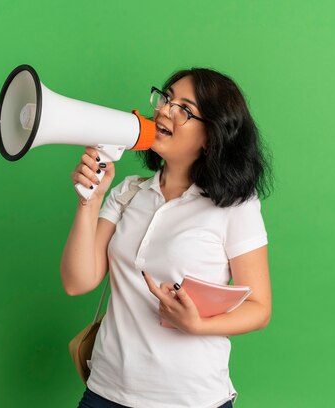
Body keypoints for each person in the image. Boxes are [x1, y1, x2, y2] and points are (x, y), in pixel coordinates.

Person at [61, 67, 272, 408]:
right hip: (105, 393)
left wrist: (195, 324)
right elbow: (77, 281)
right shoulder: (128, 193)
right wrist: (90, 201)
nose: (164, 110)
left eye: (184, 109)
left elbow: (260, 309)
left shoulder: (236, 206)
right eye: (166, 98)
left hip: (191, 400)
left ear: (211, 136)